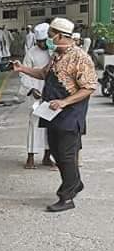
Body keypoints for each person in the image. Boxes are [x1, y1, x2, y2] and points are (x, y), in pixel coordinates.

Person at [13, 17, 97, 213]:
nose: (49, 39)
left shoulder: (80, 58)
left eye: (51, 36)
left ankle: (66, 197)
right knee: (57, 153)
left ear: (60, 35)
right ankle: (75, 183)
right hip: (52, 112)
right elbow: (44, 73)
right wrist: (22, 68)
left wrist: (65, 102)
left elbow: (89, 87)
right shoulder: (56, 54)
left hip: (70, 114)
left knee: (67, 155)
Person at [19, 23, 54, 171]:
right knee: (34, 124)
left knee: (51, 126)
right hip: (36, 95)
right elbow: (23, 73)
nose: (41, 44)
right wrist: (32, 89)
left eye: (43, 41)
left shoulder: (54, 53)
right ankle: (31, 157)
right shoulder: (31, 53)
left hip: (52, 94)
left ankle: (47, 156)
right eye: (38, 41)